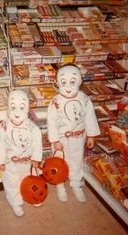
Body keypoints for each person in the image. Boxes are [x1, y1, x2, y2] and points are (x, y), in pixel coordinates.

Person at [47, 63, 100, 202]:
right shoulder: (55, 101)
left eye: (72, 81)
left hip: (79, 136)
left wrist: (91, 135)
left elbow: (90, 117)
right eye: (64, 82)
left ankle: (76, 183)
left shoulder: (84, 99)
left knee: (76, 160)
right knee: (60, 161)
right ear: (58, 83)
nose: (69, 86)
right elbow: (51, 122)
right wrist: (55, 140)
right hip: (61, 139)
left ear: (80, 81)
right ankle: (59, 183)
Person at [0, 89, 43, 216]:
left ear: (26, 108)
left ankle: (32, 196)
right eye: (13, 107)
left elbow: (37, 142)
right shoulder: (3, 127)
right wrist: (0, 161)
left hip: (27, 162)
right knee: (12, 182)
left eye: (21, 108)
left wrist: (36, 158)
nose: (17, 113)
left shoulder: (32, 127)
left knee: (29, 180)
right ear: (8, 108)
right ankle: (15, 202)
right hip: (10, 163)